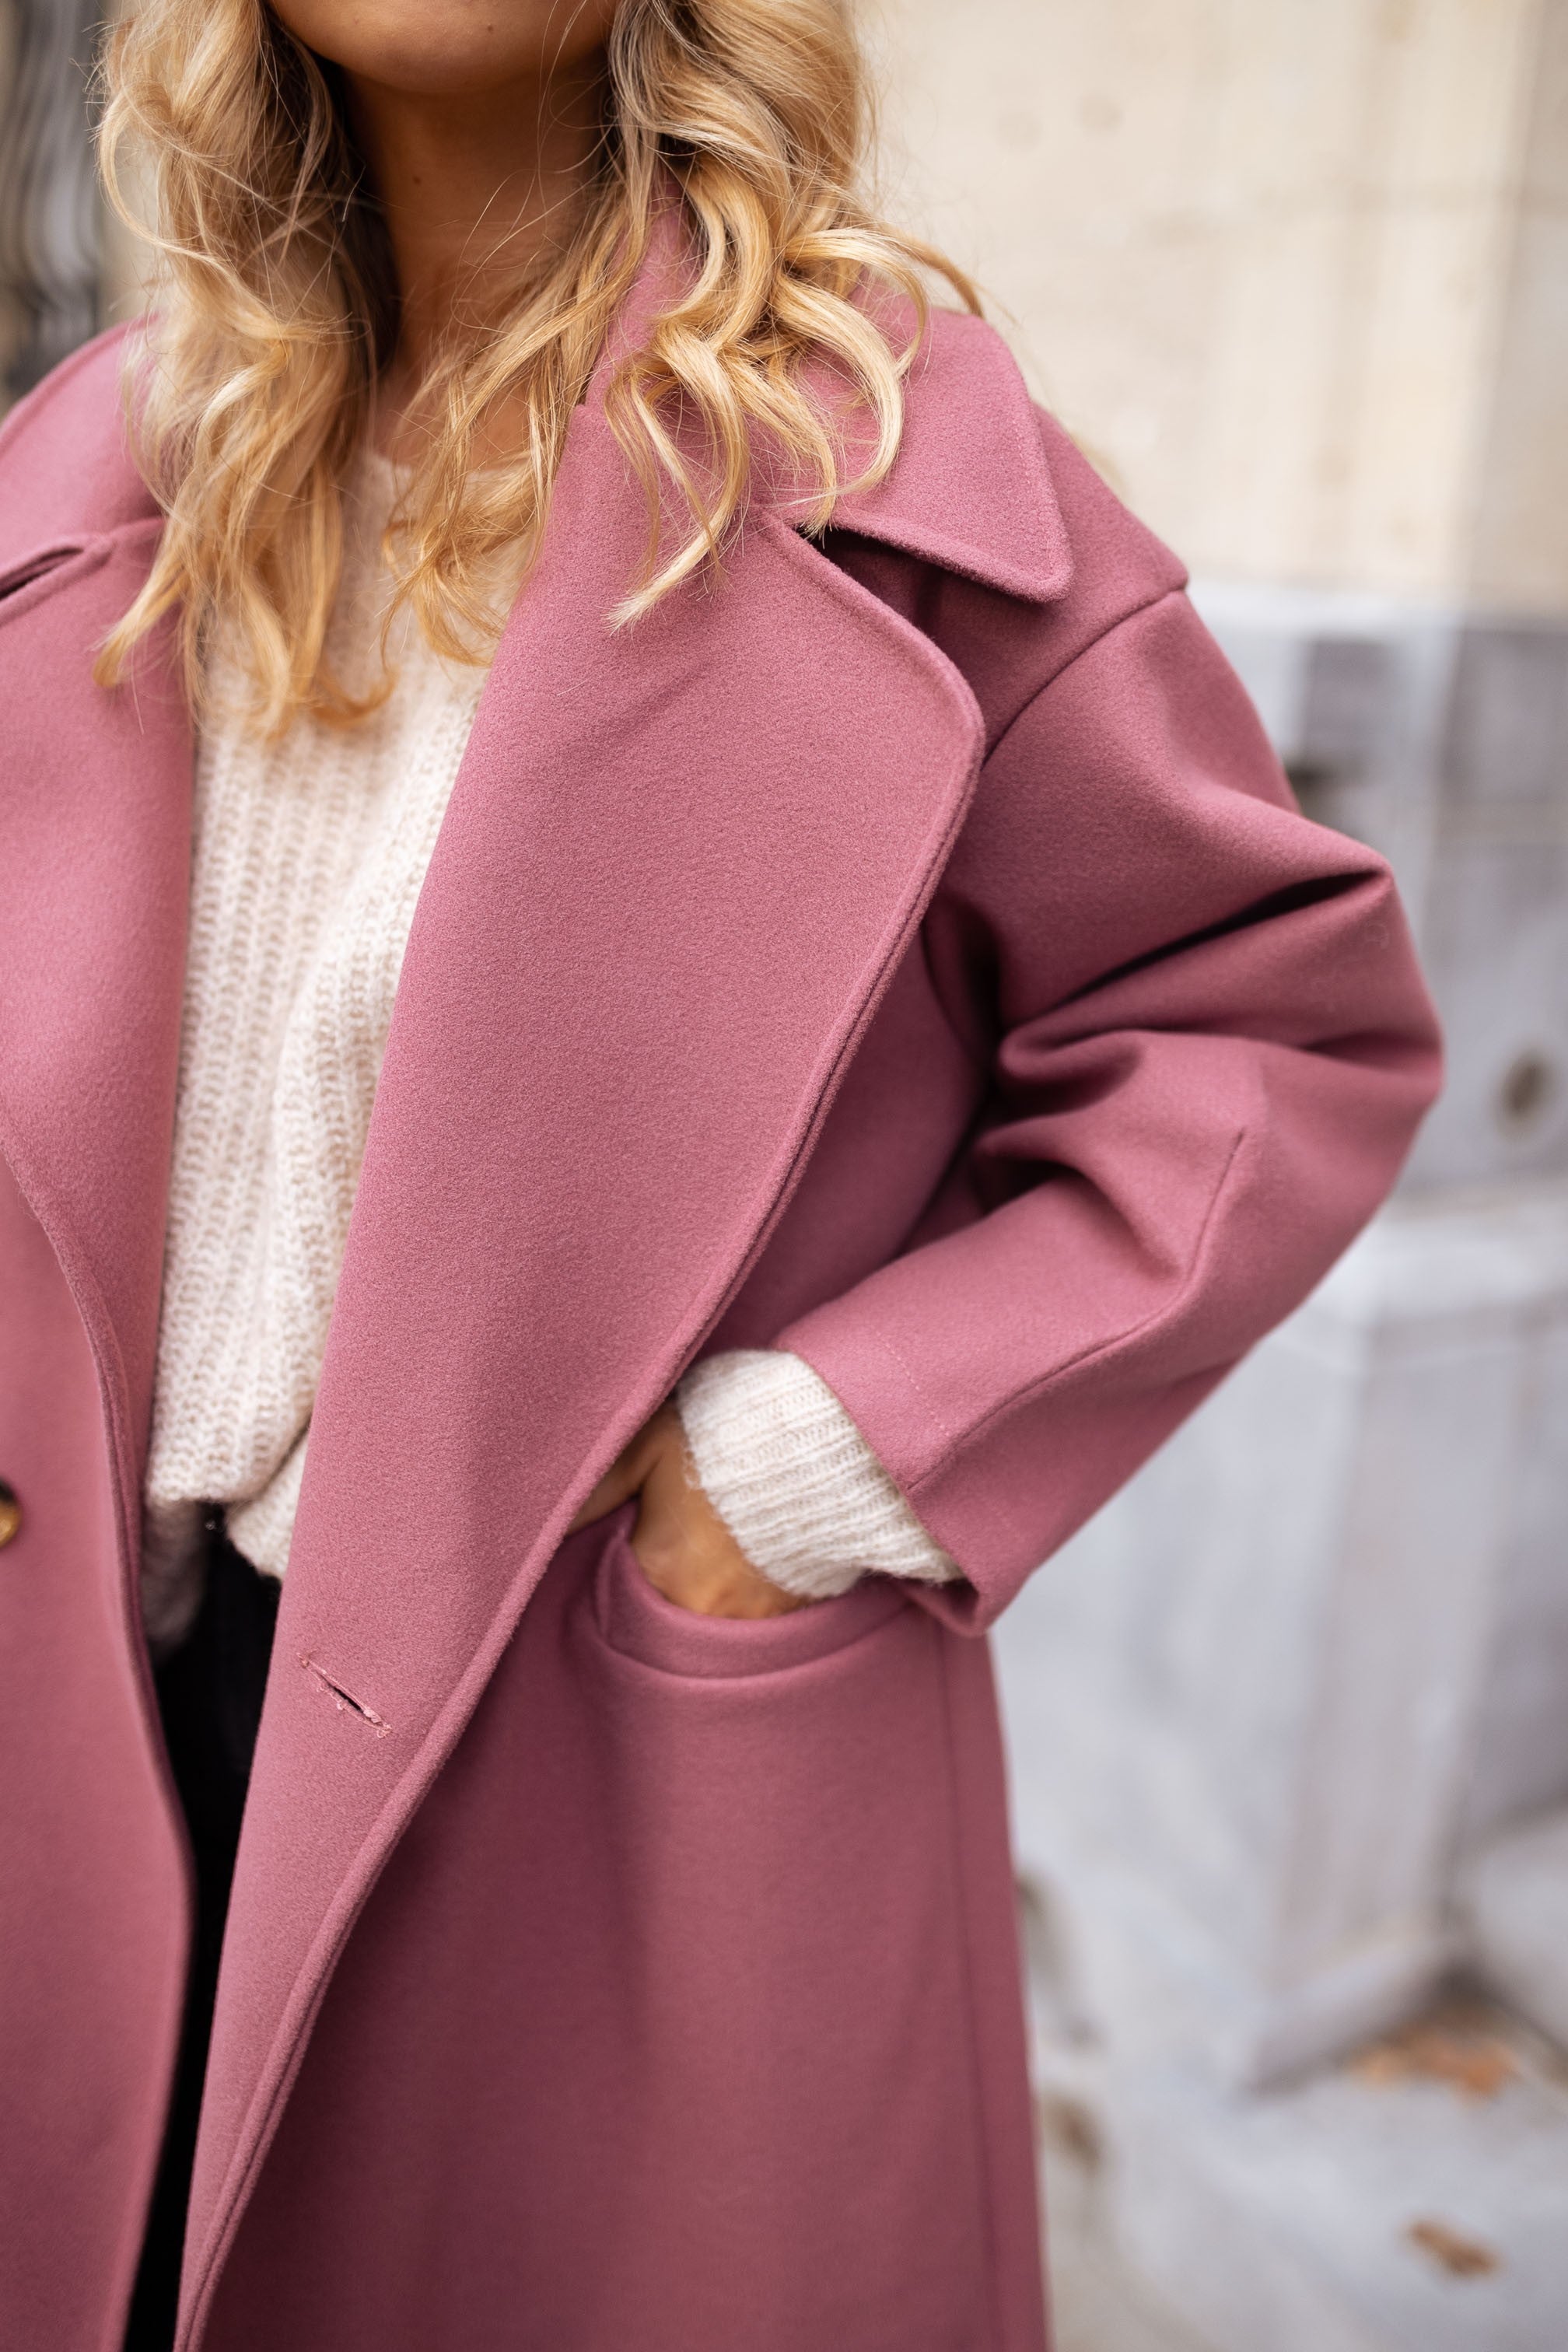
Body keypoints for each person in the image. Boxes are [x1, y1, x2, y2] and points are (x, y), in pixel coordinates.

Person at [0, 3, 1441, 2348]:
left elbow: (1268, 1028)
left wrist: (808, 1465)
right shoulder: (99, 458)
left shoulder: (890, 456)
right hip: (91, 1693)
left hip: (568, 1730)